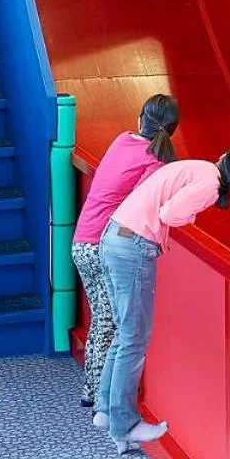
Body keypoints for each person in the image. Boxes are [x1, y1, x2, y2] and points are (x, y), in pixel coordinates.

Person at [94, 142, 230, 454]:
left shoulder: (201, 168)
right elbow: (171, 213)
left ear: (227, 155)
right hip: (133, 248)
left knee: (125, 334)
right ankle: (125, 422)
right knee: (134, 338)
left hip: (116, 237)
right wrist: (190, 218)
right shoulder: (210, 184)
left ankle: (107, 411)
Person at [71, 95, 180, 410]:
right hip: (102, 246)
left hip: (82, 240)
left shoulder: (122, 141)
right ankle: (97, 393)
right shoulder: (155, 163)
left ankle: (94, 389)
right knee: (112, 321)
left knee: (105, 318)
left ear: (140, 118)